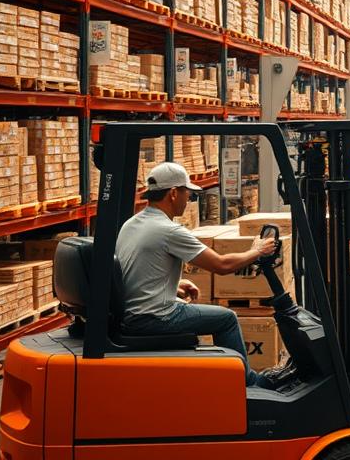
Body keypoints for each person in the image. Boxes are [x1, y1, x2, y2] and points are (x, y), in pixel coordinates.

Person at [115, 161, 277, 386]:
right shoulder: (168, 230)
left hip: (136, 313)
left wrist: (175, 284)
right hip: (154, 318)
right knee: (226, 319)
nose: (189, 199)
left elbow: (135, 265)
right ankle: (247, 384)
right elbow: (222, 265)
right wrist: (256, 251)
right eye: (187, 193)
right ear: (173, 193)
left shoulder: (131, 224)